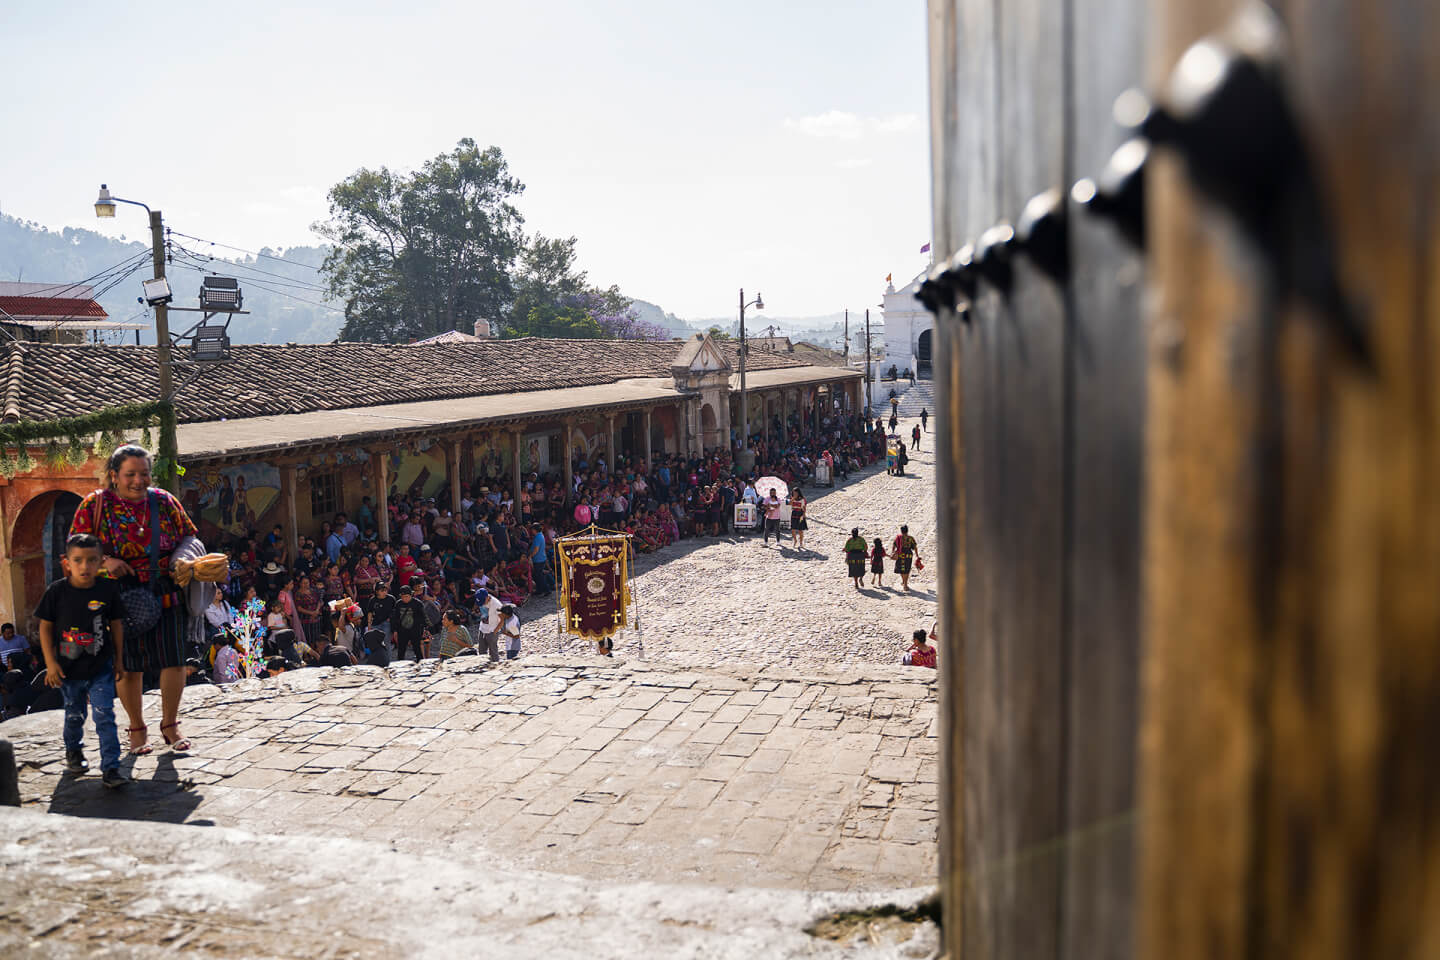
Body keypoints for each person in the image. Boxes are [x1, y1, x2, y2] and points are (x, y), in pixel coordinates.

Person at [69, 444, 200, 755]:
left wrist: (183, 558)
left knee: (173, 660)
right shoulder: (94, 505)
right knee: (128, 666)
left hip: (164, 590)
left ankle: (170, 724)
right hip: (119, 598)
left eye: (144, 473)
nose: (138, 481)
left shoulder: (164, 501)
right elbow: (75, 548)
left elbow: (189, 536)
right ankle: (137, 728)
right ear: (114, 475)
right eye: (130, 474)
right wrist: (105, 562)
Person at [35, 533, 129, 787]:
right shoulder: (56, 592)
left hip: (101, 667)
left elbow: (116, 625)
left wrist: (119, 660)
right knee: (74, 715)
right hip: (68, 670)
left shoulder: (107, 589)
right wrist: (50, 663)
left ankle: (111, 767)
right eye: (78, 560)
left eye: (91, 560)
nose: (84, 566)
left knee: (104, 715)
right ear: (67, 563)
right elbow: (45, 627)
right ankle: (74, 751)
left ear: (101, 562)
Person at [391, 583, 426, 662]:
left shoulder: (418, 604)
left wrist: (424, 629)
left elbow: (423, 617)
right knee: (401, 650)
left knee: (417, 649)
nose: (405, 598)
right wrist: (395, 630)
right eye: (403, 597)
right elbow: (395, 618)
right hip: (402, 630)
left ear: (411, 595)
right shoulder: (398, 604)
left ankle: (420, 664)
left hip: (415, 630)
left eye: (407, 596)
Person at [893, 524, 922, 592]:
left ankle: (904, 581)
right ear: (907, 531)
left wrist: (893, 552)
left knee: (901, 568)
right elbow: (915, 547)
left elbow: (894, 545)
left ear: (901, 531)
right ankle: (905, 584)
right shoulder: (911, 538)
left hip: (900, 555)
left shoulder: (898, 538)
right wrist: (917, 555)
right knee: (907, 569)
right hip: (908, 555)